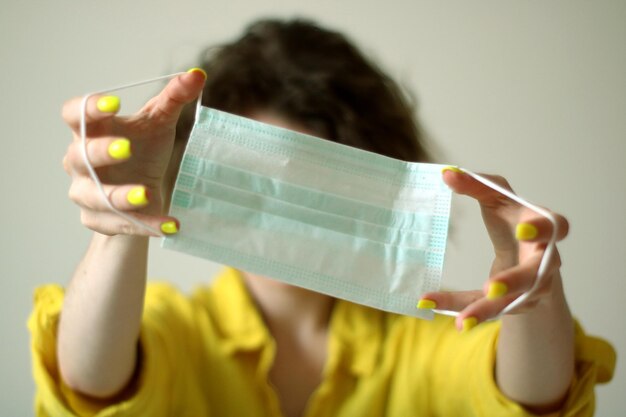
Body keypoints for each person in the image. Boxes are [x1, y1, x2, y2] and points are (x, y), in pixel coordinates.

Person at [29, 18, 614, 417]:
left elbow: (525, 399)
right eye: (255, 181)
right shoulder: (181, 331)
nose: (285, 210)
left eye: (318, 186)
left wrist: (534, 301)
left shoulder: (416, 348)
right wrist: (119, 228)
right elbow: (93, 389)